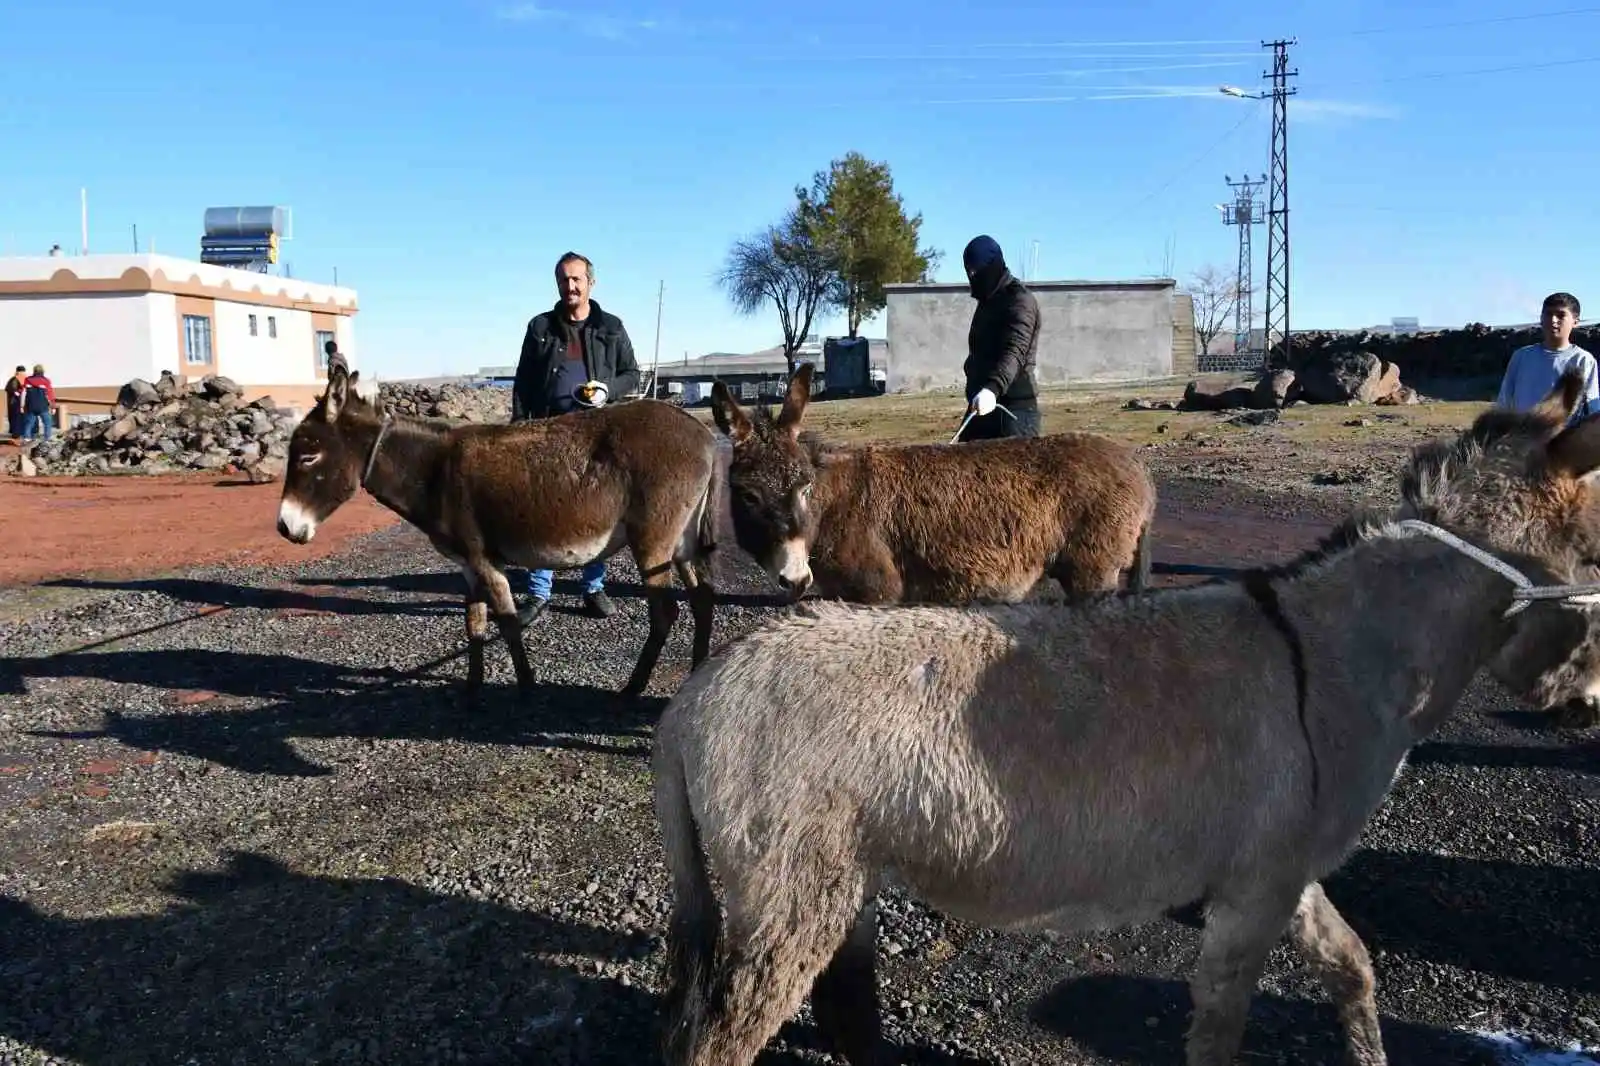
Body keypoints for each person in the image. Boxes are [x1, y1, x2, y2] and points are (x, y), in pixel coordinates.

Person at [507, 250, 641, 624]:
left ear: (590, 283)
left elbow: (633, 373)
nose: (571, 286)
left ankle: (594, 589)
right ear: (558, 284)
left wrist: (608, 390)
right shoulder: (540, 327)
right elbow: (523, 382)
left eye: (577, 279)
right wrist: (521, 426)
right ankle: (538, 593)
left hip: (597, 435)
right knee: (542, 511)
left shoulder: (611, 326)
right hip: (548, 432)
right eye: (564, 280)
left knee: (595, 511)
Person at [958, 234, 1042, 440]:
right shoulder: (986, 303)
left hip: (1014, 412)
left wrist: (992, 389)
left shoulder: (1020, 301)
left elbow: (1015, 351)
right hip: (981, 407)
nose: (974, 278)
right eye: (970, 273)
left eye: (978, 272)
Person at [1496, 292, 1596, 424]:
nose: (1553, 320)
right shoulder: (1521, 357)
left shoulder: (1583, 360)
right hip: (1521, 437)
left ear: (1575, 322)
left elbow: (1592, 409)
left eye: (1561, 315)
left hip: (1564, 439)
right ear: (1541, 318)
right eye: (1548, 314)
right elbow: (1505, 401)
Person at [20, 364, 55, 441]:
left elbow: (23, 393)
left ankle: (27, 437)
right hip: (43, 406)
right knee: (47, 422)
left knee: (29, 423)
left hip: (30, 406)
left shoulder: (27, 380)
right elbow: (49, 394)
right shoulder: (46, 381)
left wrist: (22, 406)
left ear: (34, 371)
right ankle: (47, 438)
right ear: (42, 371)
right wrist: (53, 406)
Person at [5, 365, 25, 438]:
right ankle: (16, 433)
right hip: (15, 402)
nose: (22, 373)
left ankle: (19, 432)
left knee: (20, 418)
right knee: (16, 417)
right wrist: (17, 392)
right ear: (17, 372)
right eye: (21, 372)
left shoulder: (22, 379)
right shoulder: (14, 379)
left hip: (20, 402)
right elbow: (11, 389)